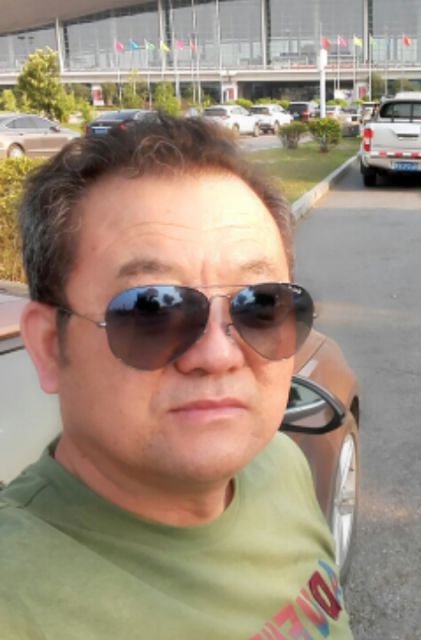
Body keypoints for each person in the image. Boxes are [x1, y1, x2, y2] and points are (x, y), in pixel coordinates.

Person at [0, 115, 353, 639]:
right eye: (151, 309)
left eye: (261, 304)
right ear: (51, 346)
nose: (217, 354)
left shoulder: (280, 464)